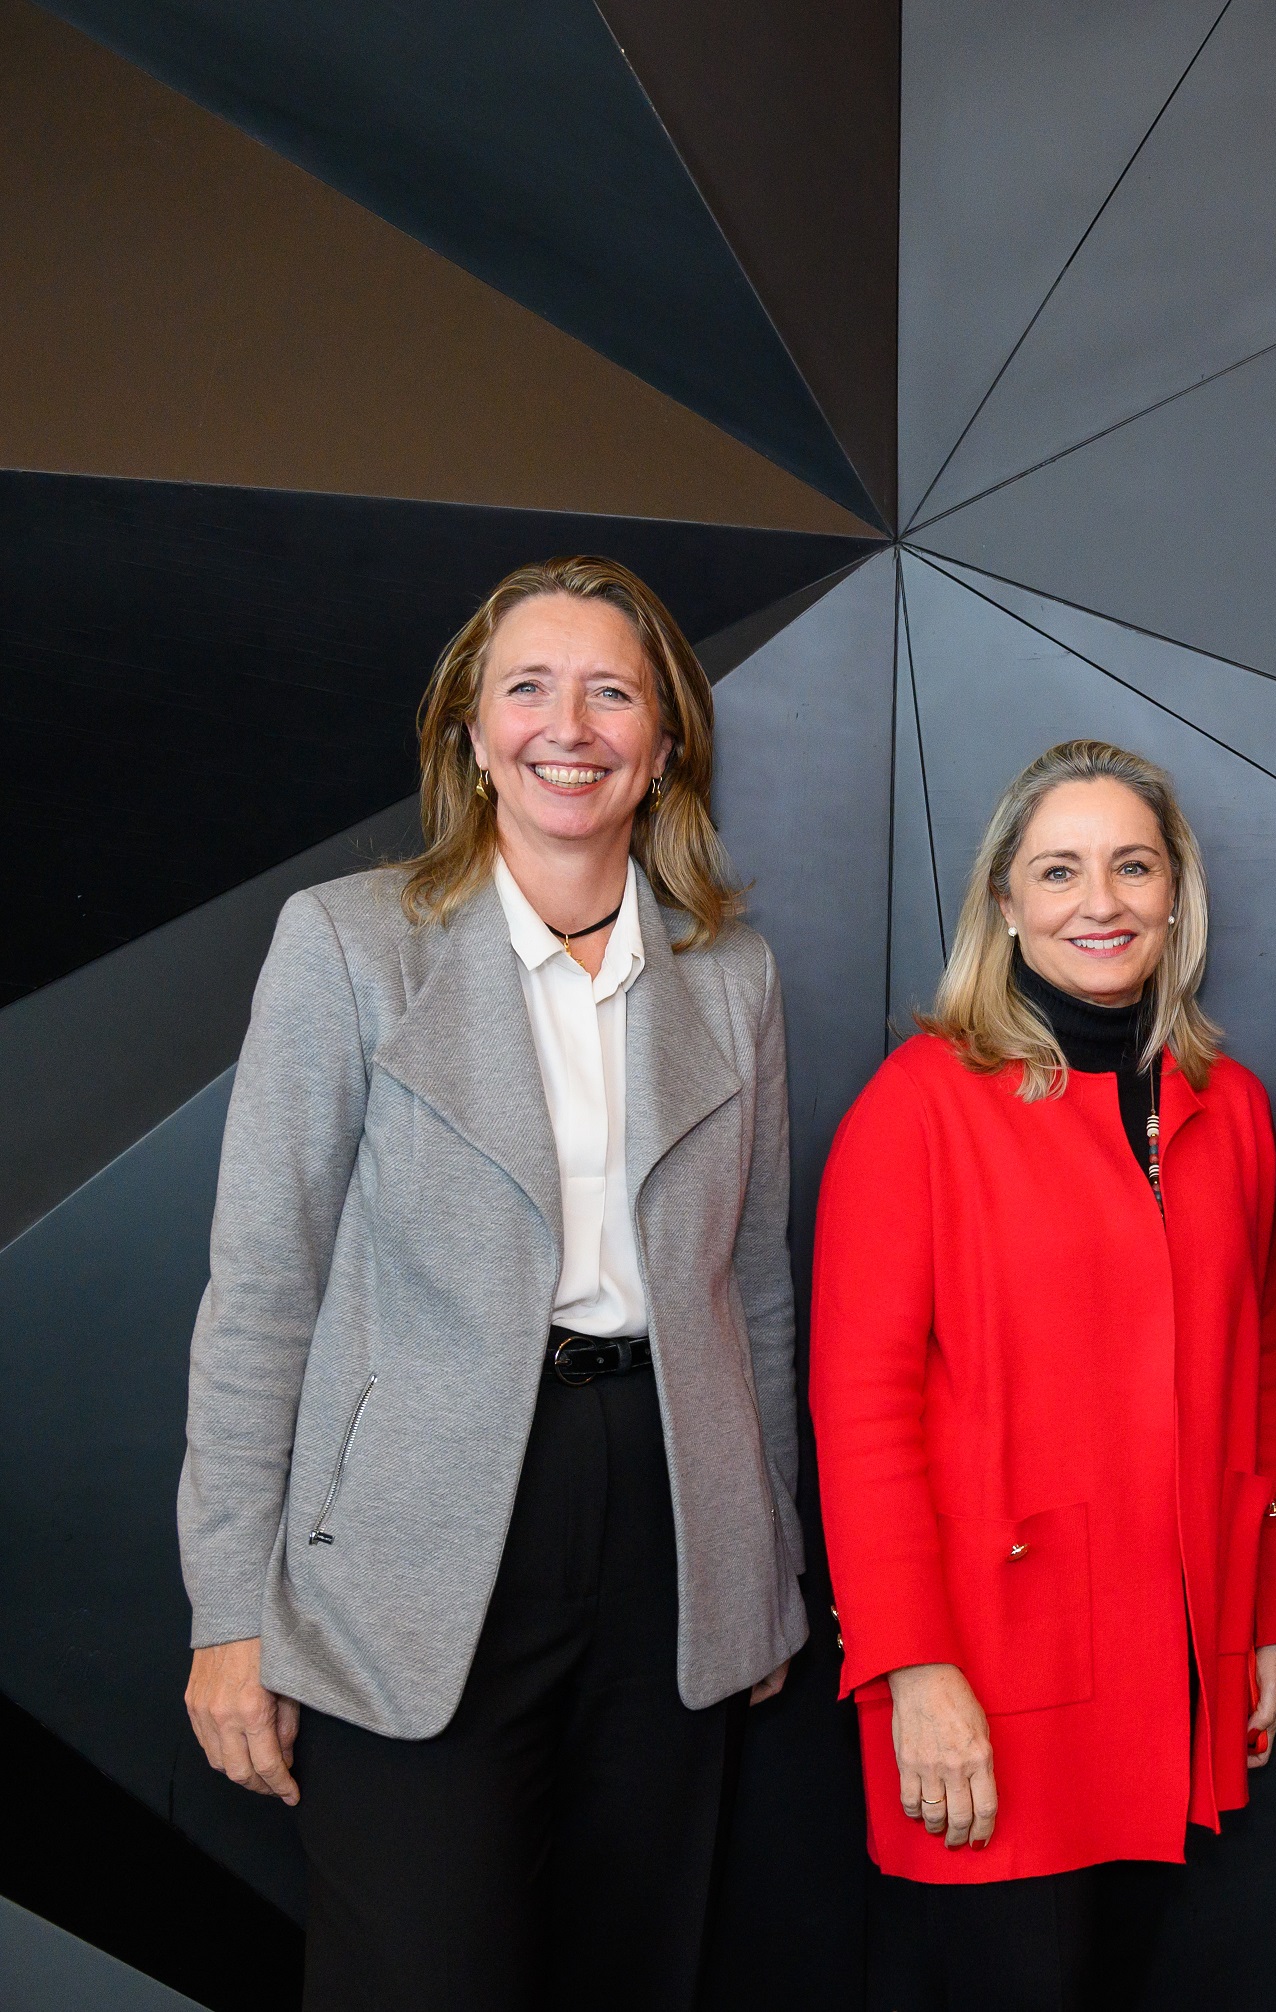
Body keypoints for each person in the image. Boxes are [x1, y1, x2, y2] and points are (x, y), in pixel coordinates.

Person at [176, 556, 805, 2010]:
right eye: (528, 687)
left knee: (632, 1966)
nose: (567, 726)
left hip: (670, 1520)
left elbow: (754, 1290)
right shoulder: (346, 945)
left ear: (664, 743)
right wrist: (227, 1610)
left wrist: (761, 1561)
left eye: (610, 692)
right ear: (471, 732)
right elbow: (262, 1291)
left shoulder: (733, 974)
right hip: (414, 1535)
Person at [810, 738, 1276, 2007]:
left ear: (1175, 892)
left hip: (1181, 1665)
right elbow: (860, 1413)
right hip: (989, 1672)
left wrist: (1274, 1602)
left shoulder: (1229, 1106)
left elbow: (1270, 1363)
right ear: (1004, 901)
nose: (1101, 901)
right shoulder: (918, 1105)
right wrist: (911, 1667)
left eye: (1132, 866)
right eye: (1059, 870)